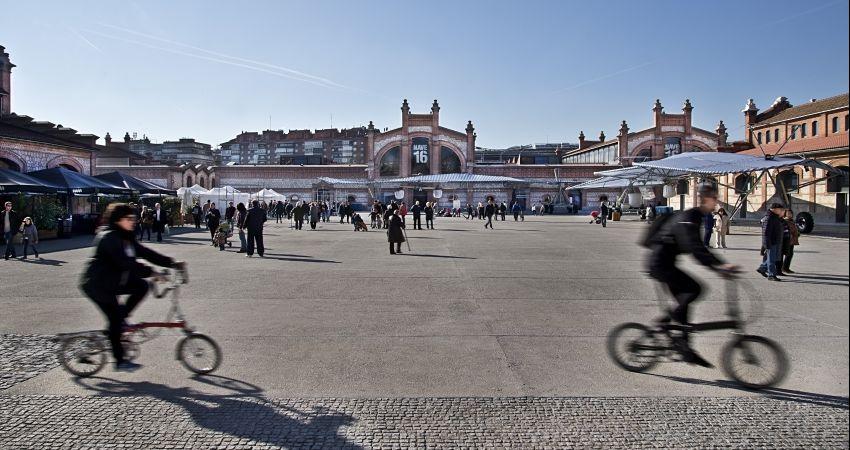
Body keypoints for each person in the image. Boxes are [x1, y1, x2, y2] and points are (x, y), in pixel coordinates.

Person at [79, 203, 184, 371]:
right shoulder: (109, 238)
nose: (133, 221)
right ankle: (120, 361)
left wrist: (172, 263)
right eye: (129, 219)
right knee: (114, 319)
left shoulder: (126, 236)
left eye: (133, 218)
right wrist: (153, 273)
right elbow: (126, 263)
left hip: (113, 282)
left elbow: (146, 253)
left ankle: (121, 320)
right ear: (119, 220)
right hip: (97, 285)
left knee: (141, 286)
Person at [646, 184, 738, 368]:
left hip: (666, 263)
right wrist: (719, 268)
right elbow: (695, 248)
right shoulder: (690, 218)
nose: (717, 202)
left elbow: (698, 248)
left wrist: (719, 266)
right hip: (660, 264)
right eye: (715, 198)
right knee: (694, 289)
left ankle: (684, 348)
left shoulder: (696, 216)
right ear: (706, 199)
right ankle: (669, 320)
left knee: (685, 301)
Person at [758, 203, 785, 282]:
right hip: (771, 242)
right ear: (775, 209)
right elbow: (766, 233)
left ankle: (762, 268)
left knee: (773, 258)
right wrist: (766, 244)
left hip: (775, 241)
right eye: (780, 210)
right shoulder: (769, 218)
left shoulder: (775, 217)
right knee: (771, 259)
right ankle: (771, 275)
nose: (781, 211)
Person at [780, 209, 800, 275]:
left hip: (792, 240)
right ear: (785, 214)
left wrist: (797, 233)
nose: (790, 214)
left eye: (791, 213)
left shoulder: (792, 221)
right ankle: (784, 268)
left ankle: (786, 267)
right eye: (788, 213)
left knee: (790, 254)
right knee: (787, 254)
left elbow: (794, 229)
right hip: (787, 240)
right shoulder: (785, 221)